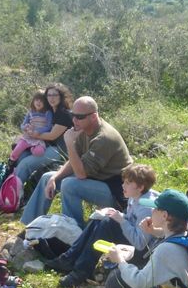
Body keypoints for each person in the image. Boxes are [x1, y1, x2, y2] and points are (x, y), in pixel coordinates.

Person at [19, 96, 133, 228]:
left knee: (69, 185)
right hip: (96, 179)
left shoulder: (104, 138)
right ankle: (30, 227)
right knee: (48, 178)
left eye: (80, 117)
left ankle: (73, 232)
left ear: (93, 116)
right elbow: (75, 161)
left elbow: (81, 174)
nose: (74, 120)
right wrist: (55, 177)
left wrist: (69, 144)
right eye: (73, 115)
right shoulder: (83, 129)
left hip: (116, 190)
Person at [45, 164, 158, 288]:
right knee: (99, 219)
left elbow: (140, 243)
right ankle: (69, 258)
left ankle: (80, 272)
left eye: (127, 183)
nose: (123, 185)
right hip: (133, 241)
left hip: (141, 254)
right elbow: (131, 220)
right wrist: (118, 215)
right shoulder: (134, 197)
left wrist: (121, 220)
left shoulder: (146, 208)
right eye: (124, 182)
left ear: (140, 187)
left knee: (107, 224)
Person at [103, 189, 188, 288]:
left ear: (165, 216)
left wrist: (119, 259)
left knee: (117, 278)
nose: (151, 211)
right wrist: (154, 231)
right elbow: (173, 236)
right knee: (128, 272)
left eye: (155, 209)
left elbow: (138, 282)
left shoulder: (166, 250)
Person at [11, 82, 74, 185]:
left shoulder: (64, 114)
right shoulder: (49, 111)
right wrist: (27, 130)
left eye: (55, 95)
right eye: (49, 95)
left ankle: (13, 192)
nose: (51, 98)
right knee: (21, 156)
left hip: (59, 149)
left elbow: (52, 135)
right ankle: (16, 188)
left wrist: (33, 135)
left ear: (61, 97)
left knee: (25, 164)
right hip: (45, 144)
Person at [9, 90, 53, 160]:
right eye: (36, 100)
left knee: (39, 152)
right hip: (27, 137)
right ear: (33, 101)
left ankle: (31, 149)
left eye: (41, 101)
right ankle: (11, 165)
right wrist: (25, 127)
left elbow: (48, 127)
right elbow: (22, 125)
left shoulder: (47, 113)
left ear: (46, 103)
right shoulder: (30, 112)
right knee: (15, 152)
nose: (38, 102)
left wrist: (38, 131)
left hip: (39, 139)